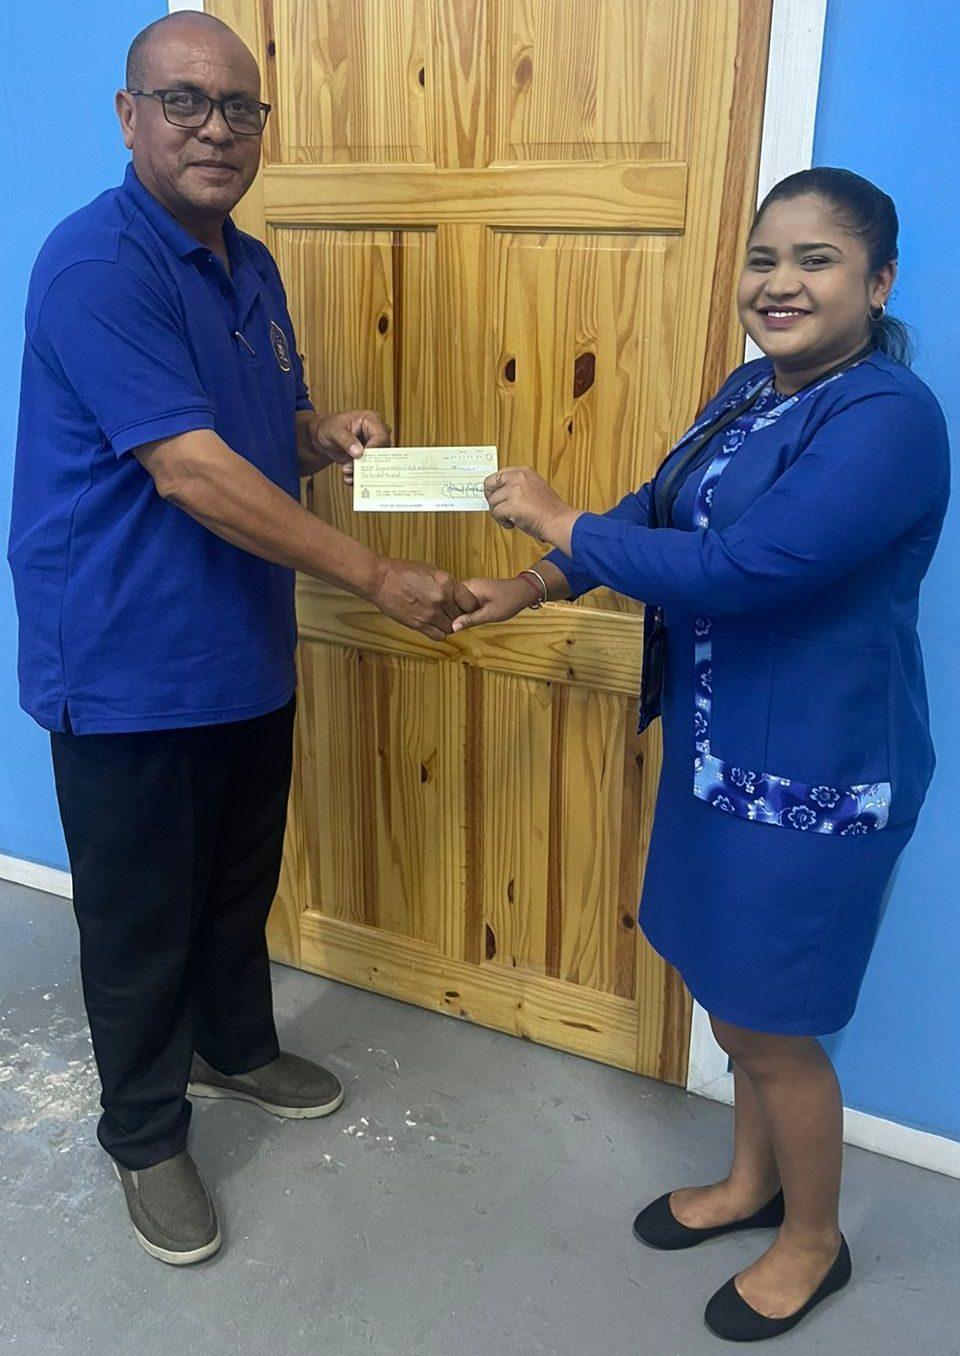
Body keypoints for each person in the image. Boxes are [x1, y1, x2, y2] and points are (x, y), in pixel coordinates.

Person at [7, 12, 476, 1267]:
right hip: (123, 658)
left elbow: (257, 417)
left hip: (239, 645)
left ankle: (232, 1047)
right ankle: (146, 1129)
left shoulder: (249, 262)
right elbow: (191, 470)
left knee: (233, 882)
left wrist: (322, 435)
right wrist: (378, 573)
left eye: (240, 108)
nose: (217, 129)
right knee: (139, 912)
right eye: (185, 103)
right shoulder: (97, 264)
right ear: (128, 115)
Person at [449, 169, 949, 1342]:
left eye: (817, 260)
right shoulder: (751, 392)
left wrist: (565, 526)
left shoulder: (887, 418)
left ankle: (813, 1243)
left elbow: (750, 570)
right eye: (765, 259)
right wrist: (530, 581)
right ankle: (749, 1183)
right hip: (719, 759)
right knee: (734, 1003)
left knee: (779, 1025)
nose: (781, 283)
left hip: (820, 777)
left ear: (877, 284)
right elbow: (659, 509)